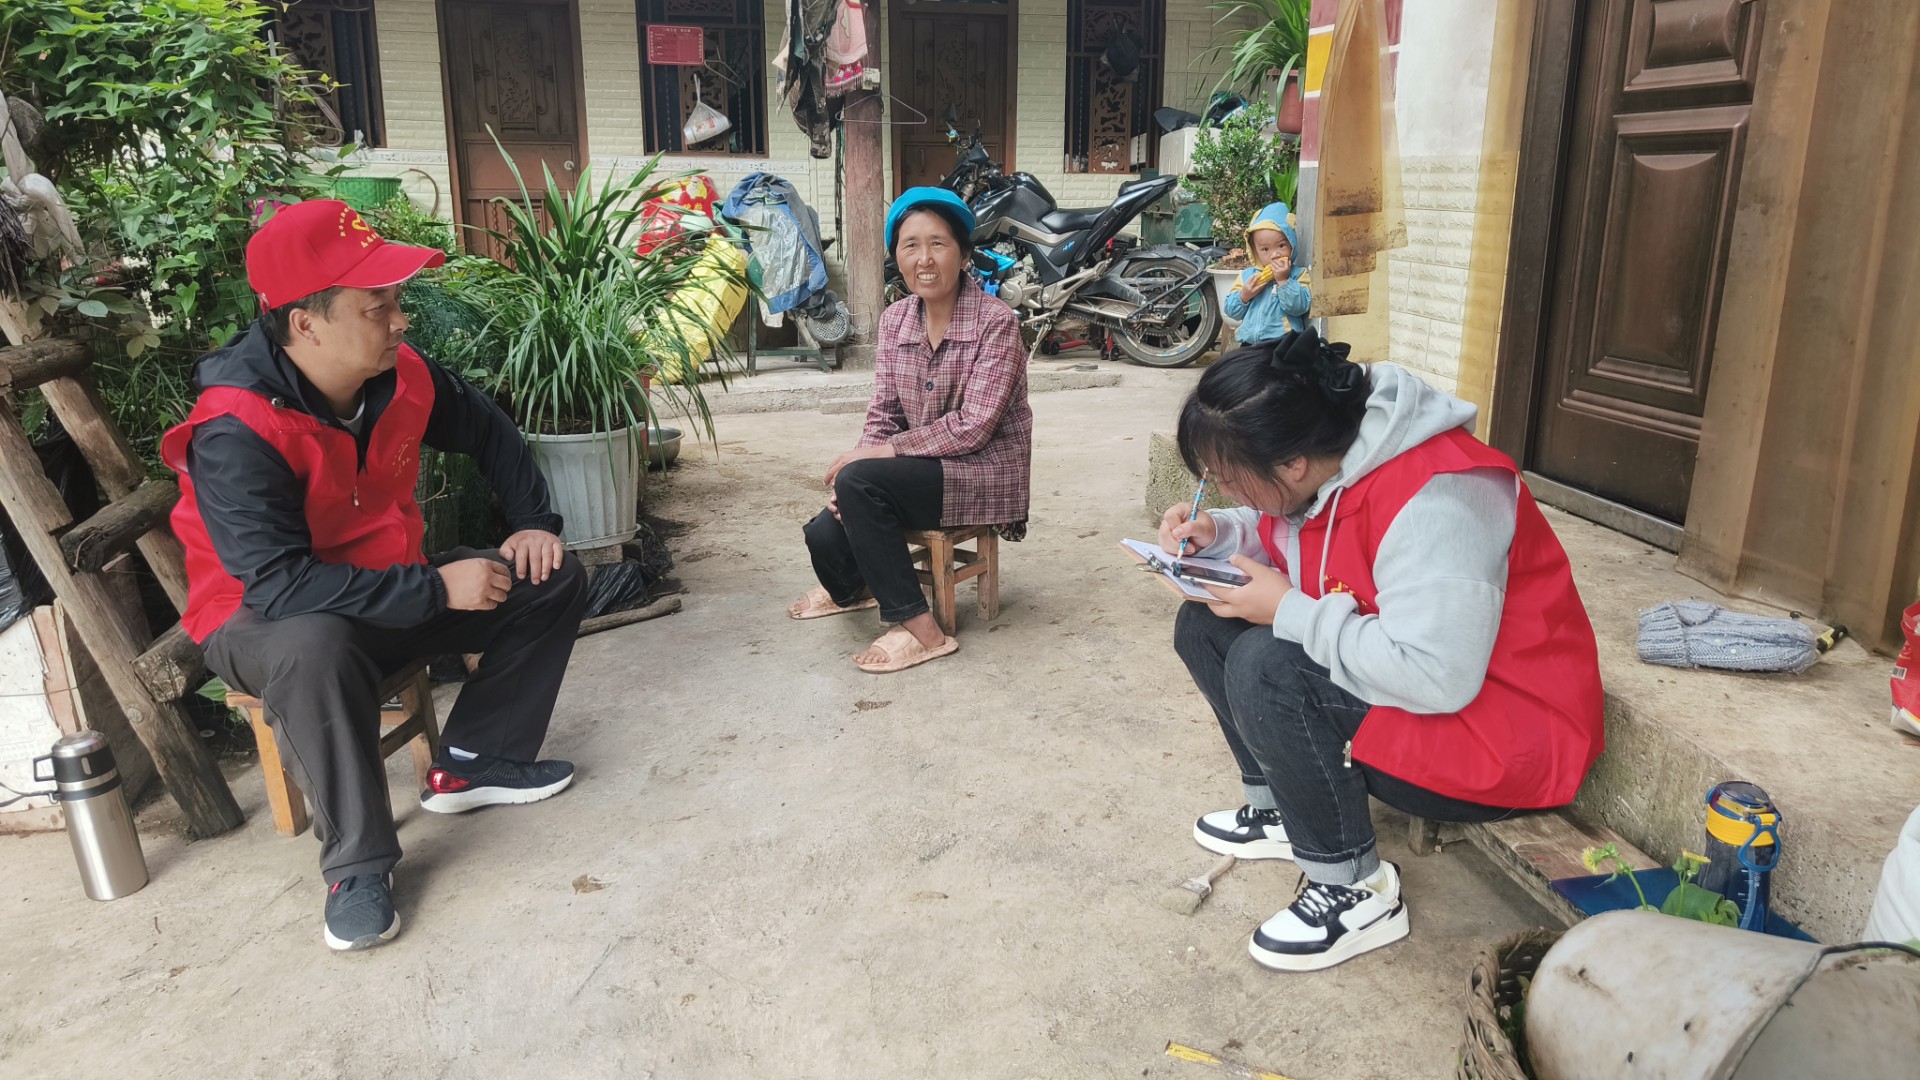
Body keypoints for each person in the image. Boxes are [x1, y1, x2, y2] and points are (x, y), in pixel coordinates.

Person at [161, 200, 590, 953]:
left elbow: (487, 425)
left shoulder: (400, 375)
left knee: (548, 576)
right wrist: (438, 589)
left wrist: (532, 522)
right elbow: (279, 586)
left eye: (397, 300)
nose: (400, 321)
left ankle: (471, 763)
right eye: (377, 307)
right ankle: (356, 867)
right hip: (261, 620)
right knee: (315, 645)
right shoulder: (236, 428)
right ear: (306, 324)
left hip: (386, 589)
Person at [1158, 328, 1603, 972]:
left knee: (1269, 665)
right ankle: (1279, 805)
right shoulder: (1328, 457)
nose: (1224, 491)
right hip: (1429, 692)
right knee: (1203, 622)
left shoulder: (1440, 498)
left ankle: (1354, 889)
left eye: (1230, 479)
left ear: (1292, 463)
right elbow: (1287, 526)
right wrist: (1218, 534)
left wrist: (1288, 609)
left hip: (1501, 737)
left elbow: (1437, 676)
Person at [787, 187, 1032, 673]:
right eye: (910, 245)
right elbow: (883, 413)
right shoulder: (896, 320)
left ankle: (922, 630)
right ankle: (854, 590)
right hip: (922, 465)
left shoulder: (996, 323)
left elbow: (974, 427)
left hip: (982, 471)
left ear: (964, 255)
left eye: (938, 244)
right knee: (824, 534)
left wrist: (875, 459)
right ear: (896, 256)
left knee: (861, 481)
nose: (925, 259)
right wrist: (858, 465)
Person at [1221, 201, 1311, 345]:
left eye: (1281, 246)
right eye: (1265, 249)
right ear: (1255, 250)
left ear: (1292, 245)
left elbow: (1298, 308)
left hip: (1284, 343)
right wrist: (1244, 296)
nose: (1274, 255)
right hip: (1250, 344)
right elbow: (1231, 312)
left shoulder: (1299, 275)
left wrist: (1284, 281)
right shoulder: (1246, 276)